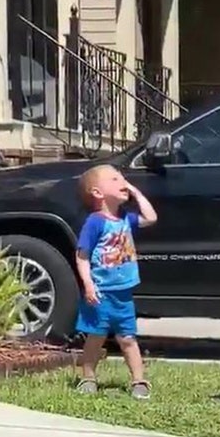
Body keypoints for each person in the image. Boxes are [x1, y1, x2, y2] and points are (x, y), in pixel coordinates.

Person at [73, 164, 158, 399]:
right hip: (101, 293)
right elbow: (82, 256)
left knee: (128, 338)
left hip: (123, 294)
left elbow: (151, 218)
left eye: (123, 178)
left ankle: (139, 380)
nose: (122, 182)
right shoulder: (95, 222)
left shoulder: (126, 219)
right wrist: (88, 285)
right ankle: (87, 377)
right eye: (114, 179)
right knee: (96, 338)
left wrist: (136, 192)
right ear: (97, 192)